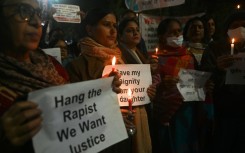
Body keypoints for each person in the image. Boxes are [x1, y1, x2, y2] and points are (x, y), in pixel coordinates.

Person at [0, 1, 121, 153]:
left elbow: (75, 109)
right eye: (23, 11)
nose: (37, 22)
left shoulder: (52, 65)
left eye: (38, 14)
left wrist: (101, 90)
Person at [66, 7, 133, 153]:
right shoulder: (76, 66)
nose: (113, 31)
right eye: (106, 25)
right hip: (100, 141)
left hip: (127, 136)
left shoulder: (123, 58)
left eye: (115, 26)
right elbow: (76, 112)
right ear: (89, 30)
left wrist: (147, 94)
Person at [153, 18, 202, 153]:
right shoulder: (156, 59)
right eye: (172, 33)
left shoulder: (189, 56)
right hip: (168, 113)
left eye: (179, 31)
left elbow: (196, 81)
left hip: (188, 111)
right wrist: (162, 84)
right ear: (162, 36)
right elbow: (151, 86)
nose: (177, 36)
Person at [201, 11, 245, 153]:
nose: (240, 29)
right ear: (227, 29)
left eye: (244, 25)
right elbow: (204, 79)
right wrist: (218, 69)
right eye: (235, 26)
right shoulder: (215, 48)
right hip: (223, 114)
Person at [118, 18, 158, 153]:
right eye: (129, 31)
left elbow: (142, 80)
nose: (135, 33)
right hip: (130, 110)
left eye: (137, 30)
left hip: (143, 105)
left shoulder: (138, 52)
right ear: (121, 36)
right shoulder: (120, 54)